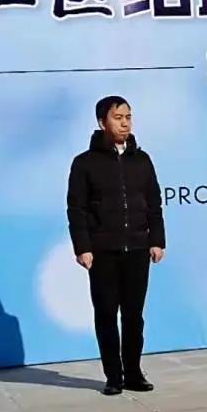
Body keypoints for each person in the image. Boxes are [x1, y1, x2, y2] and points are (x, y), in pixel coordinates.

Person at [67, 96, 165, 395]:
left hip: (137, 249)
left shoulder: (142, 160)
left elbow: (154, 203)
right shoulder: (85, 163)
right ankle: (114, 376)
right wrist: (83, 247)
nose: (125, 123)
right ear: (102, 122)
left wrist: (156, 240)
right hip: (102, 251)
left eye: (128, 117)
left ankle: (133, 373)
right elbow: (77, 209)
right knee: (106, 314)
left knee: (134, 316)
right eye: (118, 117)